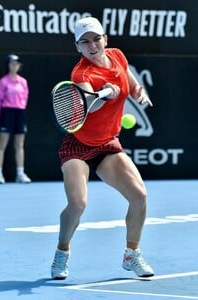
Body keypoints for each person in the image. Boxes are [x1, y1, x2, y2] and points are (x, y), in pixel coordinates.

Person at [51, 17, 154, 280]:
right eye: (85, 42)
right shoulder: (81, 73)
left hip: (108, 143)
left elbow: (130, 82)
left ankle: (132, 255)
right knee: (78, 204)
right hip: (78, 145)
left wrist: (139, 92)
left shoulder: (117, 55)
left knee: (139, 196)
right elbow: (87, 107)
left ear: (105, 40)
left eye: (96, 39)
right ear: (78, 47)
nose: (92, 45)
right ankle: (62, 251)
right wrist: (102, 95)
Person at [0, 54, 31, 184]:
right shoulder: (3, 82)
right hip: (7, 113)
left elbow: (25, 99)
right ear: (8, 65)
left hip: (20, 113)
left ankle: (20, 174)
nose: (15, 65)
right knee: (2, 145)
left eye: (17, 63)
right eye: (12, 63)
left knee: (19, 145)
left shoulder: (23, 81)